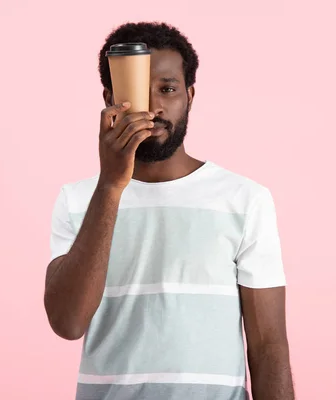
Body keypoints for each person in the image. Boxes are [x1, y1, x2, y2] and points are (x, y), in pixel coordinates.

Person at [44, 21, 294, 400]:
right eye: (136, 92)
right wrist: (111, 185)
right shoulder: (78, 201)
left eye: (167, 89)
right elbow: (67, 322)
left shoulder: (245, 199)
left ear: (190, 95)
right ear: (110, 98)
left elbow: (269, 348)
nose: (154, 107)